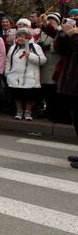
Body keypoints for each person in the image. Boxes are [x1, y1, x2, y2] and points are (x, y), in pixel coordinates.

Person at [5, 27, 46, 120]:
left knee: (29, 96)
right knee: (17, 95)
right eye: (18, 36)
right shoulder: (13, 47)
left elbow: (42, 60)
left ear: (28, 37)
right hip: (15, 76)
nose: (20, 38)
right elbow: (8, 60)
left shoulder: (35, 47)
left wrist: (30, 55)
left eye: (22, 36)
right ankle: (19, 111)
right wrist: (7, 72)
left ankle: (28, 112)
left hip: (30, 76)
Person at [54, 10, 78, 169]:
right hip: (73, 84)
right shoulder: (72, 34)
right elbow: (61, 50)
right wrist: (63, 33)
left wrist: (74, 35)